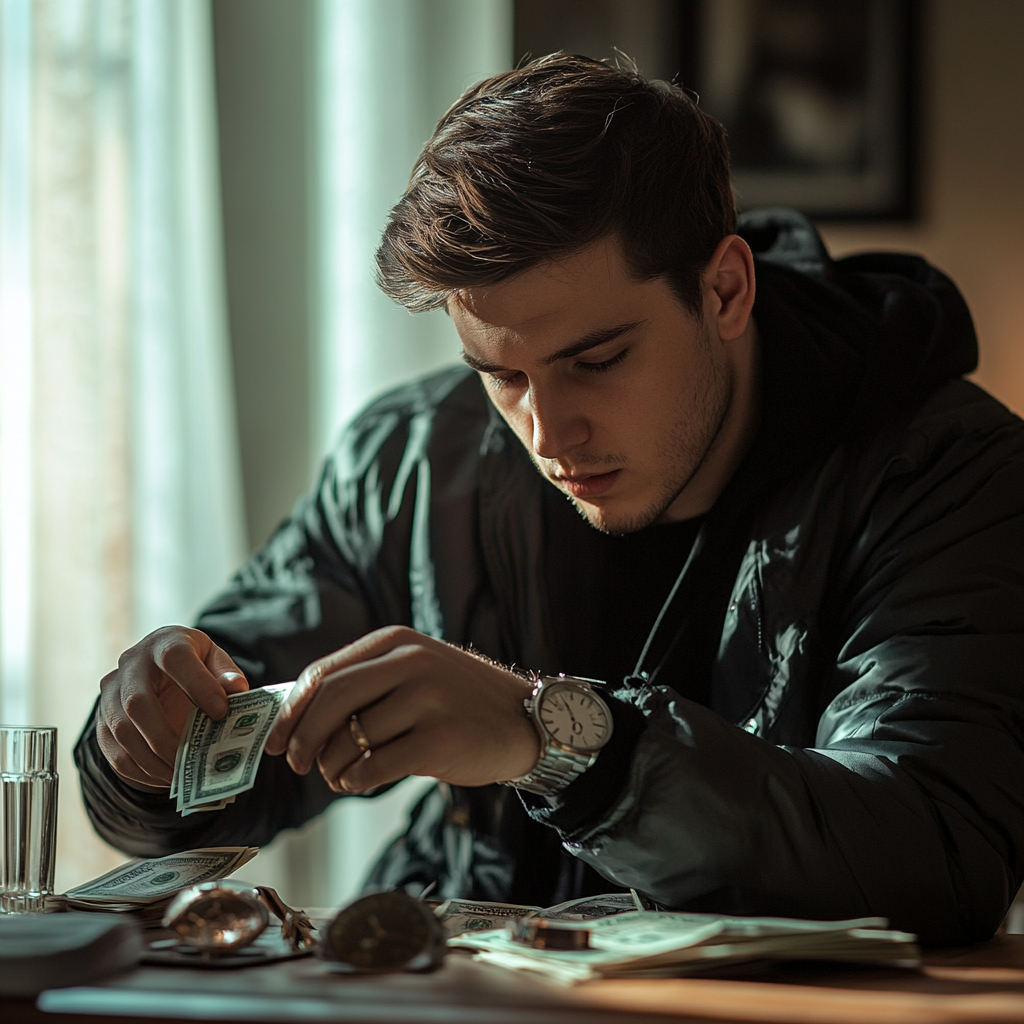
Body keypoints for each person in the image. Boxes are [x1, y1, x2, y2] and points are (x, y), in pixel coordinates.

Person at [76, 55, 1024, 946]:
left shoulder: (945, 475)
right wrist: (146, 742)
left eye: (597, 361)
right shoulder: (413, 460)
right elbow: (199, 784)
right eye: (501, 375)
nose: (546, 431)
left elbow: (936, 848)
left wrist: (557, 739)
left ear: (726, 289)